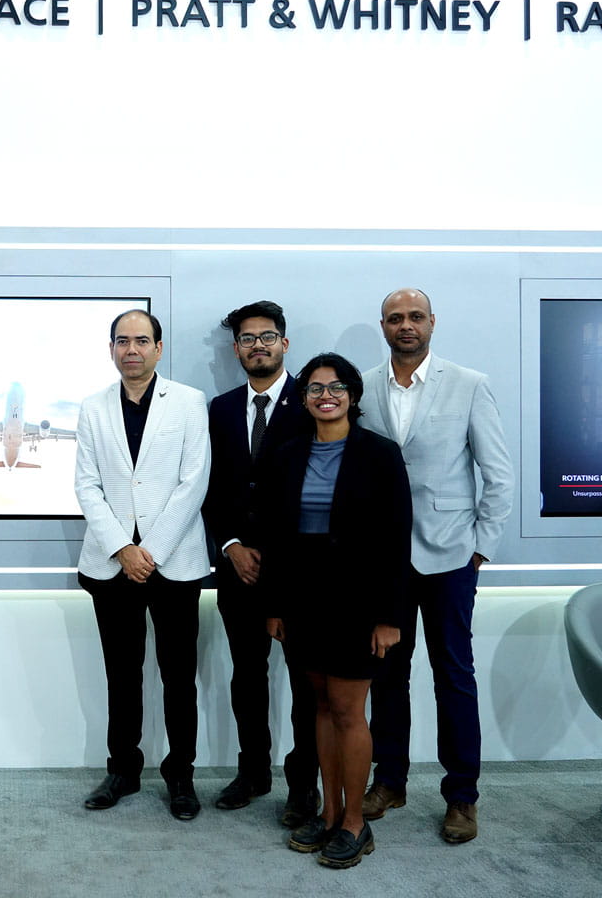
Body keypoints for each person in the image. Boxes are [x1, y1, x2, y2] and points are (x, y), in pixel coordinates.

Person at [355, 288, 514, 844]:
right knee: (387, 677)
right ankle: (390, 781)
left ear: (432, 323)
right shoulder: (364, 387)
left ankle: (462, 797)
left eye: (415, 317)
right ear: (382, 325)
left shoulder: (469, 384)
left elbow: (498, 473)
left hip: (450, 555)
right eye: (396, 318)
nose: (406, 326)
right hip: (384, 560)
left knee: (453, 676)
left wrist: (481, 547)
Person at [255, 352, 412, 868]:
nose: (327, 395)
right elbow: (275, 538)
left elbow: (395, 538)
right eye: (316, 388)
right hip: (302, 599)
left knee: (348, 710)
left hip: (358, 602)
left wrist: (390, 616)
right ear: (303, 399)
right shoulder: (286, 454)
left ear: (353, 396)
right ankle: (328, 815)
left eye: (337, 386)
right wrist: (274, 606)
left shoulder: (380, 454)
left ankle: (354, 823)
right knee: (319, 708)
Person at [72, 309, 212, 820]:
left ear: (158, 347)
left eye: (141, 341)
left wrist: (148, 549)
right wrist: (122, 549)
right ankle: (123, 771)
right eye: (121, 341)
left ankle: (181, 777)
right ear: (111, 348)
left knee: (179, 676)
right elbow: (86, 484)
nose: (131, 349)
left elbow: (194, 482)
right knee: (121, 674)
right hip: (112, 565)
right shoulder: (92, 407)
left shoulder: (189, 402)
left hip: (172, 563)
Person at [200, 301, 322, 827]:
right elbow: (211, 488)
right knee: (246, 677)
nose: (258, 346)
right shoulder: (221, 409)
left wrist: (274, 554)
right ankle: (253, 773)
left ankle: (302, 786)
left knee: (304, 683)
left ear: (285, 344)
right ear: (236, 350)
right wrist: (229, 544)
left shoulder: (314, 402)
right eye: (248, 338)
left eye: (267, 336)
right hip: (236, 568)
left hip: (297, 572)